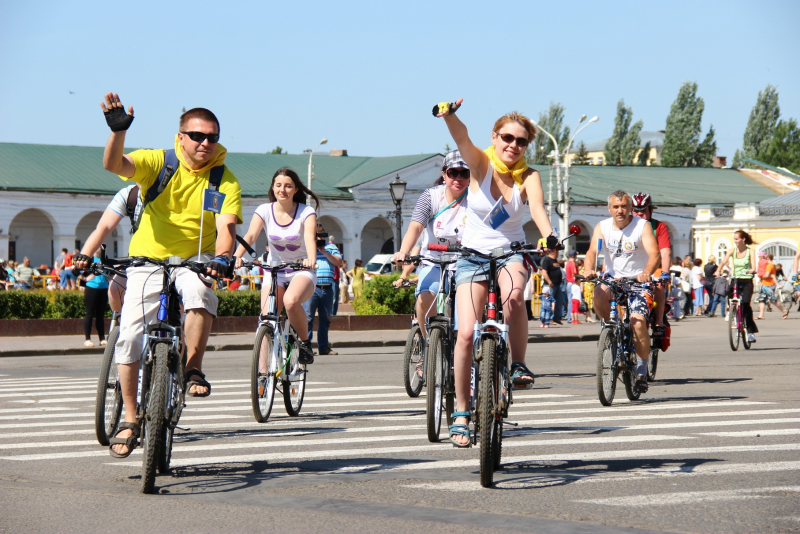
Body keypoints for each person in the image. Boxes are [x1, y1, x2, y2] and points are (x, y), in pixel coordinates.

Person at [82, 93, 242, 458]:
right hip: (148, 260)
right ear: (181, 135)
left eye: (212, 137)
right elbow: (114, 164)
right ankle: (132, 419)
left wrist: (221, 258)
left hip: (195, 259)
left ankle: (193, 370)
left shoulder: (222, 179)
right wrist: (117, 132)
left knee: (201, 295)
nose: (205, 143)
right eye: (197, 136)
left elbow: (226, 228)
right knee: (130, 334)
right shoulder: (159, 162)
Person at [435, 99, 557, 447]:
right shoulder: (481, 162)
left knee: (516, 298)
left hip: (511, 252)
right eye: (507, 137)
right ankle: (460, 412)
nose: (512, 145)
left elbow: (537, 208)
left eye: (520, 141)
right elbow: (462, 139)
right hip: (472, 255)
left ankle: (518, 365)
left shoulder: (529, 176)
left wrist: (548, 235)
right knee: (465, 334)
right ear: (495, 136)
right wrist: (449, 115)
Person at [235, 168, 320, 363]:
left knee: (290, 302)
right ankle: (263, 377)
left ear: (296, 189)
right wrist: (236, 257)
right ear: (273, 187)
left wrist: (311, 258)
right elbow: (250, 236)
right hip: (275, 271)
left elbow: (309, 236)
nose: (283, 189)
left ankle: (305, 342)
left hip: (301, 270)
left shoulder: (306, 212)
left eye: (288, 186)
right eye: (279, 185)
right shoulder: (264, 210)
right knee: (267, 318)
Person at [583, 190, 660, 394]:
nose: (620, 210)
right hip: (613, 279)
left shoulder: (642, 226)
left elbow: (654, 253)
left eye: (624, 206)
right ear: (610, 209)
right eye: (616, 207)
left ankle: (642, 372)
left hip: (637, 281)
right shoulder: (603, 227)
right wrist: (589, 269)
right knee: (598, 293)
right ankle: (610, 329)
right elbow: (592, 251)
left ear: (630, 208)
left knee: (637, 322)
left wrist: (646, 273)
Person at [392, 149, 470, 340]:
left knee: (465, 319)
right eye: (453, 173)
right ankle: (428, 344)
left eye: (464, 173)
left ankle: (462, 355)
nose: (458, 178)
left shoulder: (476, 198)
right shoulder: (430, 197)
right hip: (434, 261)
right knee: (425, 295)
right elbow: (415, 227)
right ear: (444, 174)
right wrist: (403, 251)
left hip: (466, 263)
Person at [76, 183, 143, 313]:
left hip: (176, 257)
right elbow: (104, 227)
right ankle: (122, 323)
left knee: (187, 300)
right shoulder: (130, 195)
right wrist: (84, 254)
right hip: (140, 257)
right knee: (114, 291)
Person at [631, 193, 671, 335]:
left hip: (654, 268)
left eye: (643, 210)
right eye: (635, 210)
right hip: (632, 268)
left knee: (659, 283)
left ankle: (659, 321)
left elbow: (665, 252)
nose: (639, 213)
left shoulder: (659, 227)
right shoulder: (626, 227)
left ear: (651, 210)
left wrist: (665, 272)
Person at [304, 222, 343, 356]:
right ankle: (306, 347)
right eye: (317, 236)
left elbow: (338, 262)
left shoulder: (331, 247)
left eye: (322, 236)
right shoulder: (308, 248)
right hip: (312, 288)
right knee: (308, 318)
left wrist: (324, 252)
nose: (320, 239)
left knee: (325, 319)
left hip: (328, 288)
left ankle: (323, 347)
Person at [715, 230, 758, 343]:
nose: (735, 241)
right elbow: (723, 262)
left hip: (747, 279)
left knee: (746, 305)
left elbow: (753, 264)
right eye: (734, 239)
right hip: (735, 279)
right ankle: (732, 310)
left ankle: (750, 332)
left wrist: (752, 270)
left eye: (737, 239)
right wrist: (718, 271)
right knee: (729, 293)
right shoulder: (732, 251)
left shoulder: (750, 251)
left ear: (743, 239)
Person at [82, 247, 109, 347]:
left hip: (103, 287)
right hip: (91, 287)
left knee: (100, 315)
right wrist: (85, 279)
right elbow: (79, 273)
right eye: (98, 247)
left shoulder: (105, 258)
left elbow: (108, 271)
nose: (100, 249)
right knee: (89, 313)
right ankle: (87, 339)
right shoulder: (90, 259)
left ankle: (102, 338)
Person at [757, 253, 788, 319]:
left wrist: (760, 275)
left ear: (768, 258)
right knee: (761, 300)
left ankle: (784, 310)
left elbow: (767, 275)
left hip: (769, 285)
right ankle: (761, 315)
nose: (763, 258)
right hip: (764, 284)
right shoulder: (767, 265)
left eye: (765, 257)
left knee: (772, 300)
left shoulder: (770, 265)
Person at [540, 247, 564, 325]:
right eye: (556, 251)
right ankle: (549, 319)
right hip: (550, 285)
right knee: (549, 303)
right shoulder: (547, 260)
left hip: (557, 284)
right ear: (553, 252)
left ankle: (556, 318)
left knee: (559, 301)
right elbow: (544, 272)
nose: (557, 253)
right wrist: (549, 281)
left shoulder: (555, 261)